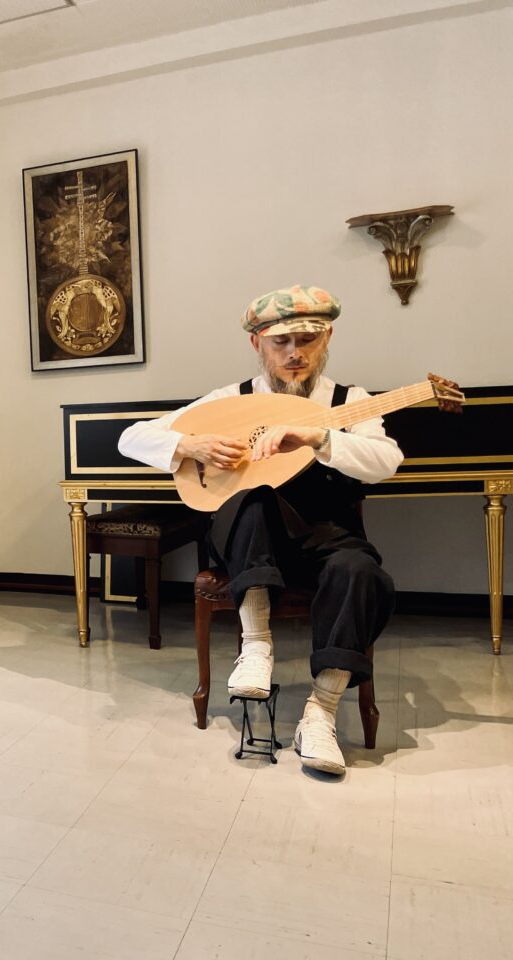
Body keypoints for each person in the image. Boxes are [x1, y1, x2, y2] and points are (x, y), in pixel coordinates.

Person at [117, 285, 402, 776]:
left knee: (361, 571)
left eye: (307, 340)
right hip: (250, 542)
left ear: (327, 338)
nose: (294, 353)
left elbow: (385, 462)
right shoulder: (232, 400)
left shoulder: (349, 401)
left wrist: (318, 437)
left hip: (326, 538)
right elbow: (131, 437)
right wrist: (191, 445)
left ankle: (321, 714)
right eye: (280, 342)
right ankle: (256, 646)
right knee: (253, 496)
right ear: (257, 344)